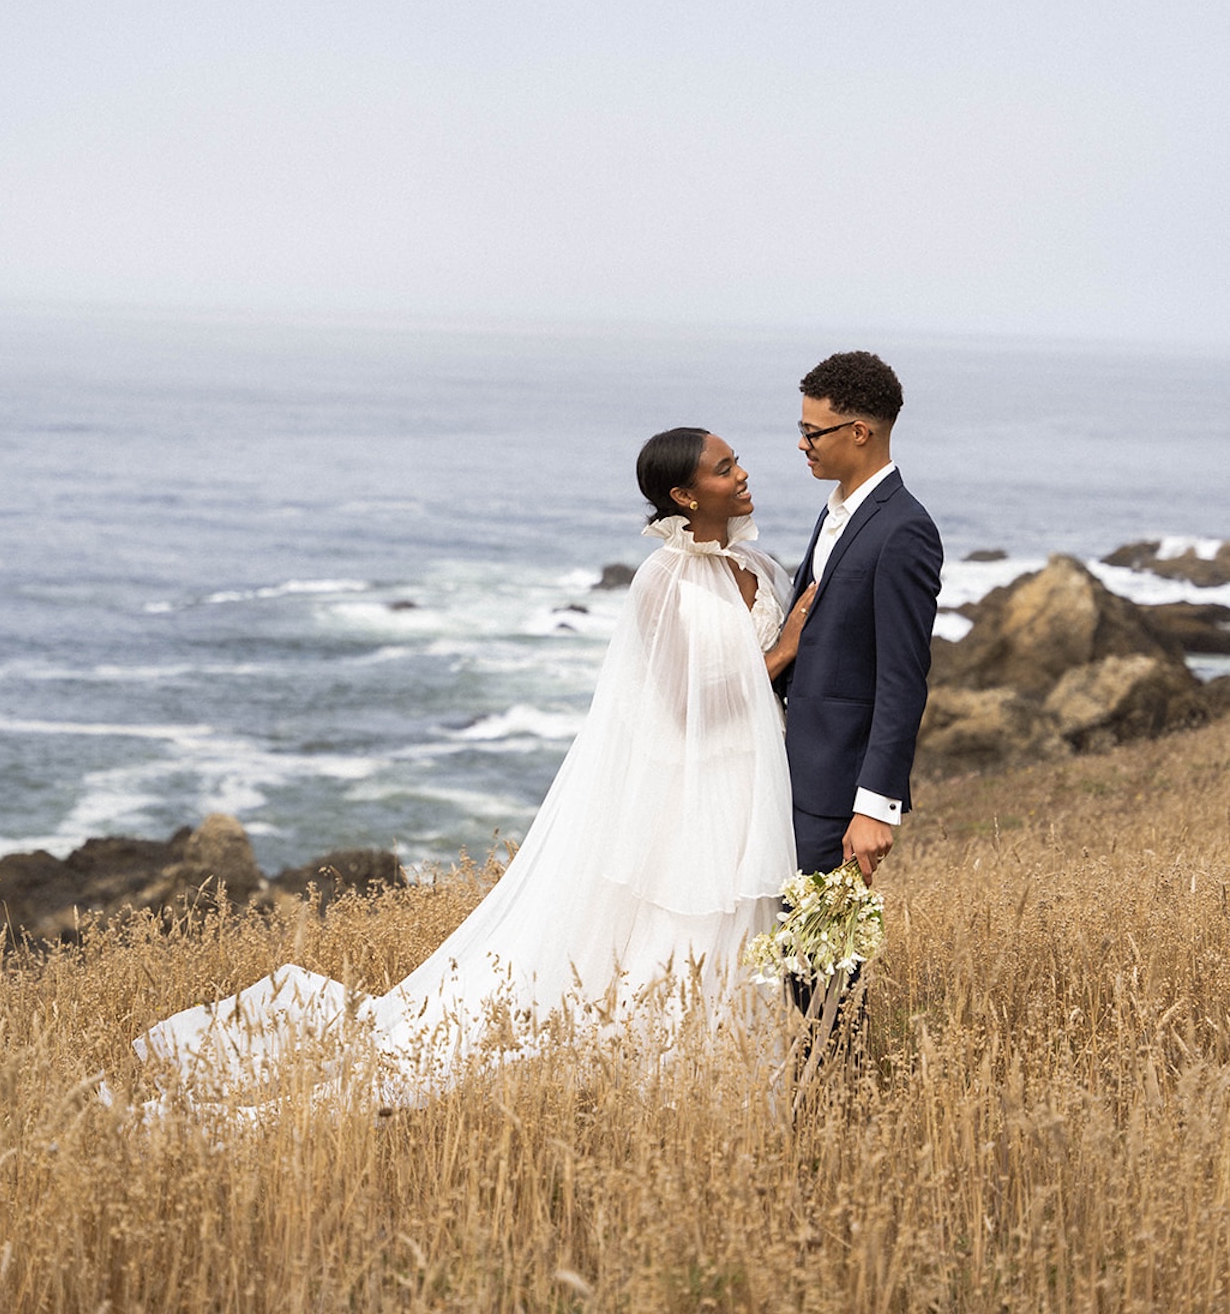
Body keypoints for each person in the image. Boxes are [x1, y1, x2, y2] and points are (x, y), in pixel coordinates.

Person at [132, 429, 810, 1107]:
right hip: (694, 788)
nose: (744, 473)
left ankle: (724, 1073)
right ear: (685, 495)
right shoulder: (663, 581)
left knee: (743, 924)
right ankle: (670, 1078)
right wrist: (784, 651)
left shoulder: (758, 563)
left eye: (737, 460)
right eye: (726, 469)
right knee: (689, 922)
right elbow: (684, 701)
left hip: (753, 775)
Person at [773, 351, 942, 888]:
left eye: (812, 431)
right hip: (790, 775)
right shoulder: (835, 509)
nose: (802, 443)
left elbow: (903, 676)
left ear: (860, 432)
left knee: (821, 965)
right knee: (785, 957)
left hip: (838, 795)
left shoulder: (904, 530)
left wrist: (875, 806)